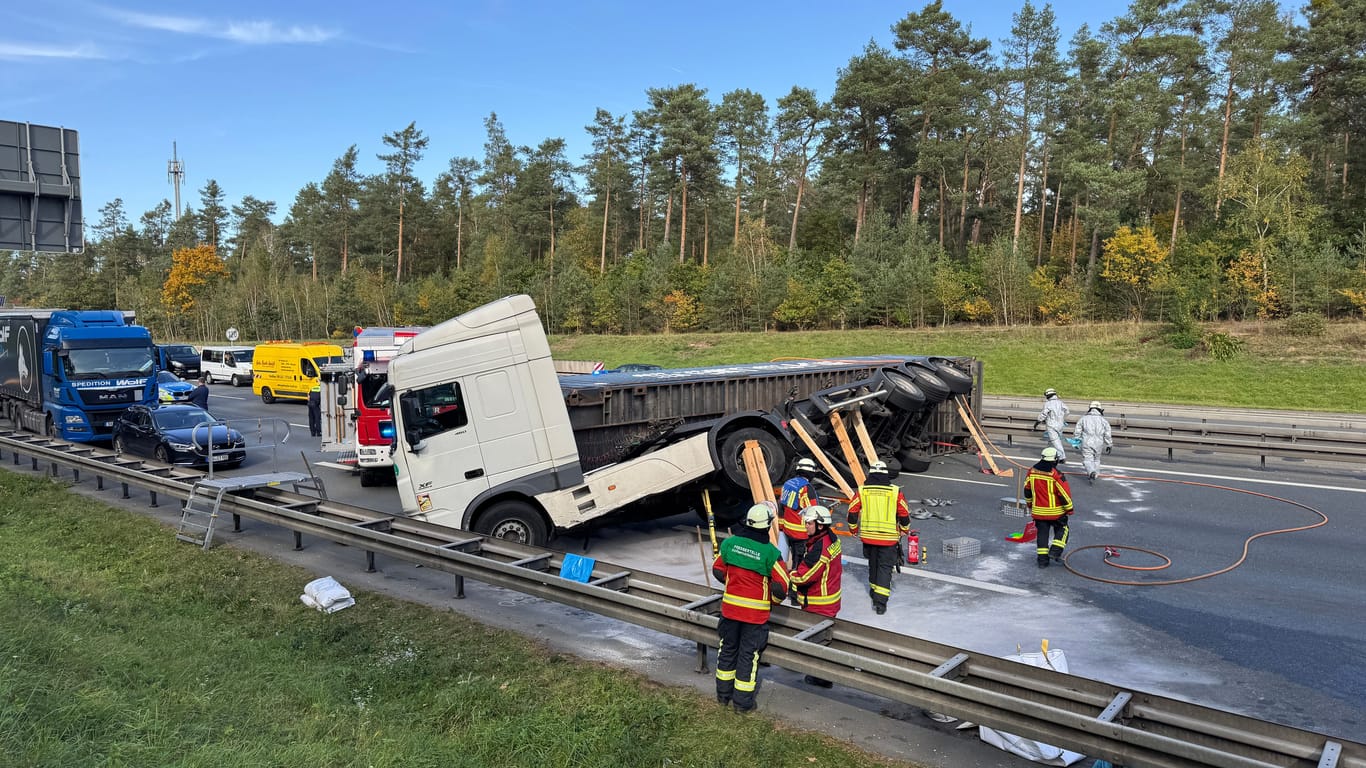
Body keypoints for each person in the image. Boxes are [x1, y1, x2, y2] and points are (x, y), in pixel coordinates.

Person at [712, 503, 790, 713]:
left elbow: (718, 570)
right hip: (755, 617)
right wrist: (771, 599)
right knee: (748, 656)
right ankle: (743, 704)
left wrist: (733, 583)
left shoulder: (730, 544)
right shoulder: (770, 554)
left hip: (729, 611)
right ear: (766, 527)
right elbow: (782, 586)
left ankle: (722, 696)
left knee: (727, 650)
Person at [846, 461, 910, 615]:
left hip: (868, 537)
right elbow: (904, 513)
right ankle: (880, 603)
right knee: (885, 567)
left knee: (873, 564)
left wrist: (853, 529)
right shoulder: (895, 491)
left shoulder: (862, 491)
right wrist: (904, 530)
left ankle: (873, 591)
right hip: (888, 539)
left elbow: (852, 512)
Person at [790, 504, 842, 687]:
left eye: (809, 523)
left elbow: (805, 576)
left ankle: (821, 677)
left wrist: (790, 575)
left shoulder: (820, 549)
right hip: (830, 598)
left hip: (818, 603)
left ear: (820, 525)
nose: (805, 526)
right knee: (824, 639)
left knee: (818, 642)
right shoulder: (832, 539)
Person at [1023, 447, 1074, 568]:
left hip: (1038, 512)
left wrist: (1030, 504)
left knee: (1042, 534)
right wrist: (1069, 509)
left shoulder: (1031, 471)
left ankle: (1042, 561)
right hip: (1056, 512)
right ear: (1054, 460)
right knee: (1063, 529)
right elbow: (1064, 493)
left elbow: (1027, 490)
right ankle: (1055, 551)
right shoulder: (1056, 474)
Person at [778, 457, 818, 576]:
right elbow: (813, 511)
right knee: (799, 563)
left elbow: (781, 507)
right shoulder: (806, 488)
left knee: (792, 557)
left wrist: (781, 527)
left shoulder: (787, 484)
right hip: (801, 533)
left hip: (788, 530)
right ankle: (795, 590)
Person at [1073, 401, 1114, 483]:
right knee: (1097, 459)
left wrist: (1076, 441)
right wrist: (1109, 444)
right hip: (1099, 443)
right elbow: (1107, 434)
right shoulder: (1103, 420)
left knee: (1087, 459)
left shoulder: (1083, 419)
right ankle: (1095, 474)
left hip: (1087, 442)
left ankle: (1091, 472)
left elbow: (1077, 431)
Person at [1034, 387, 1070, 463]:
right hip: (1060, 425)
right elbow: (1067, 411)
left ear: (1048, 395)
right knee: (1052, 441)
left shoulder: (1048, 404)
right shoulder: (1061, 403)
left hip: (1051, 425)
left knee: (1055, 441)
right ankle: (1048, 454)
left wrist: (1038, 422)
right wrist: (1062, 418)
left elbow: (1044, 414)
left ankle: (1062, 457)